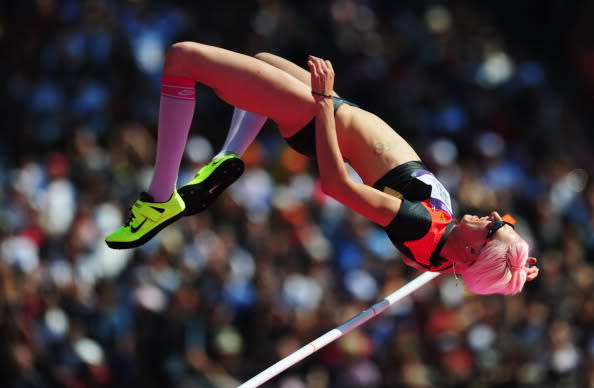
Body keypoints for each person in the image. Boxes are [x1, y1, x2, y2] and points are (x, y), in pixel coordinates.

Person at [105, 41, 539, 295]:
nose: (491, 217)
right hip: (330, 116)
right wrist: (511, 270)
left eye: (490, 228)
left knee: (183, 59)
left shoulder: (421, 225)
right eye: (502, 221)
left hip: (319, 119)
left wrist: (324, 103)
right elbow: (473, 268)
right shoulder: (445, 260)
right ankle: (227, 157)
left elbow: (336, 185)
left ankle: (160, 198)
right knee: (262, 58)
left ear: (470, 253)